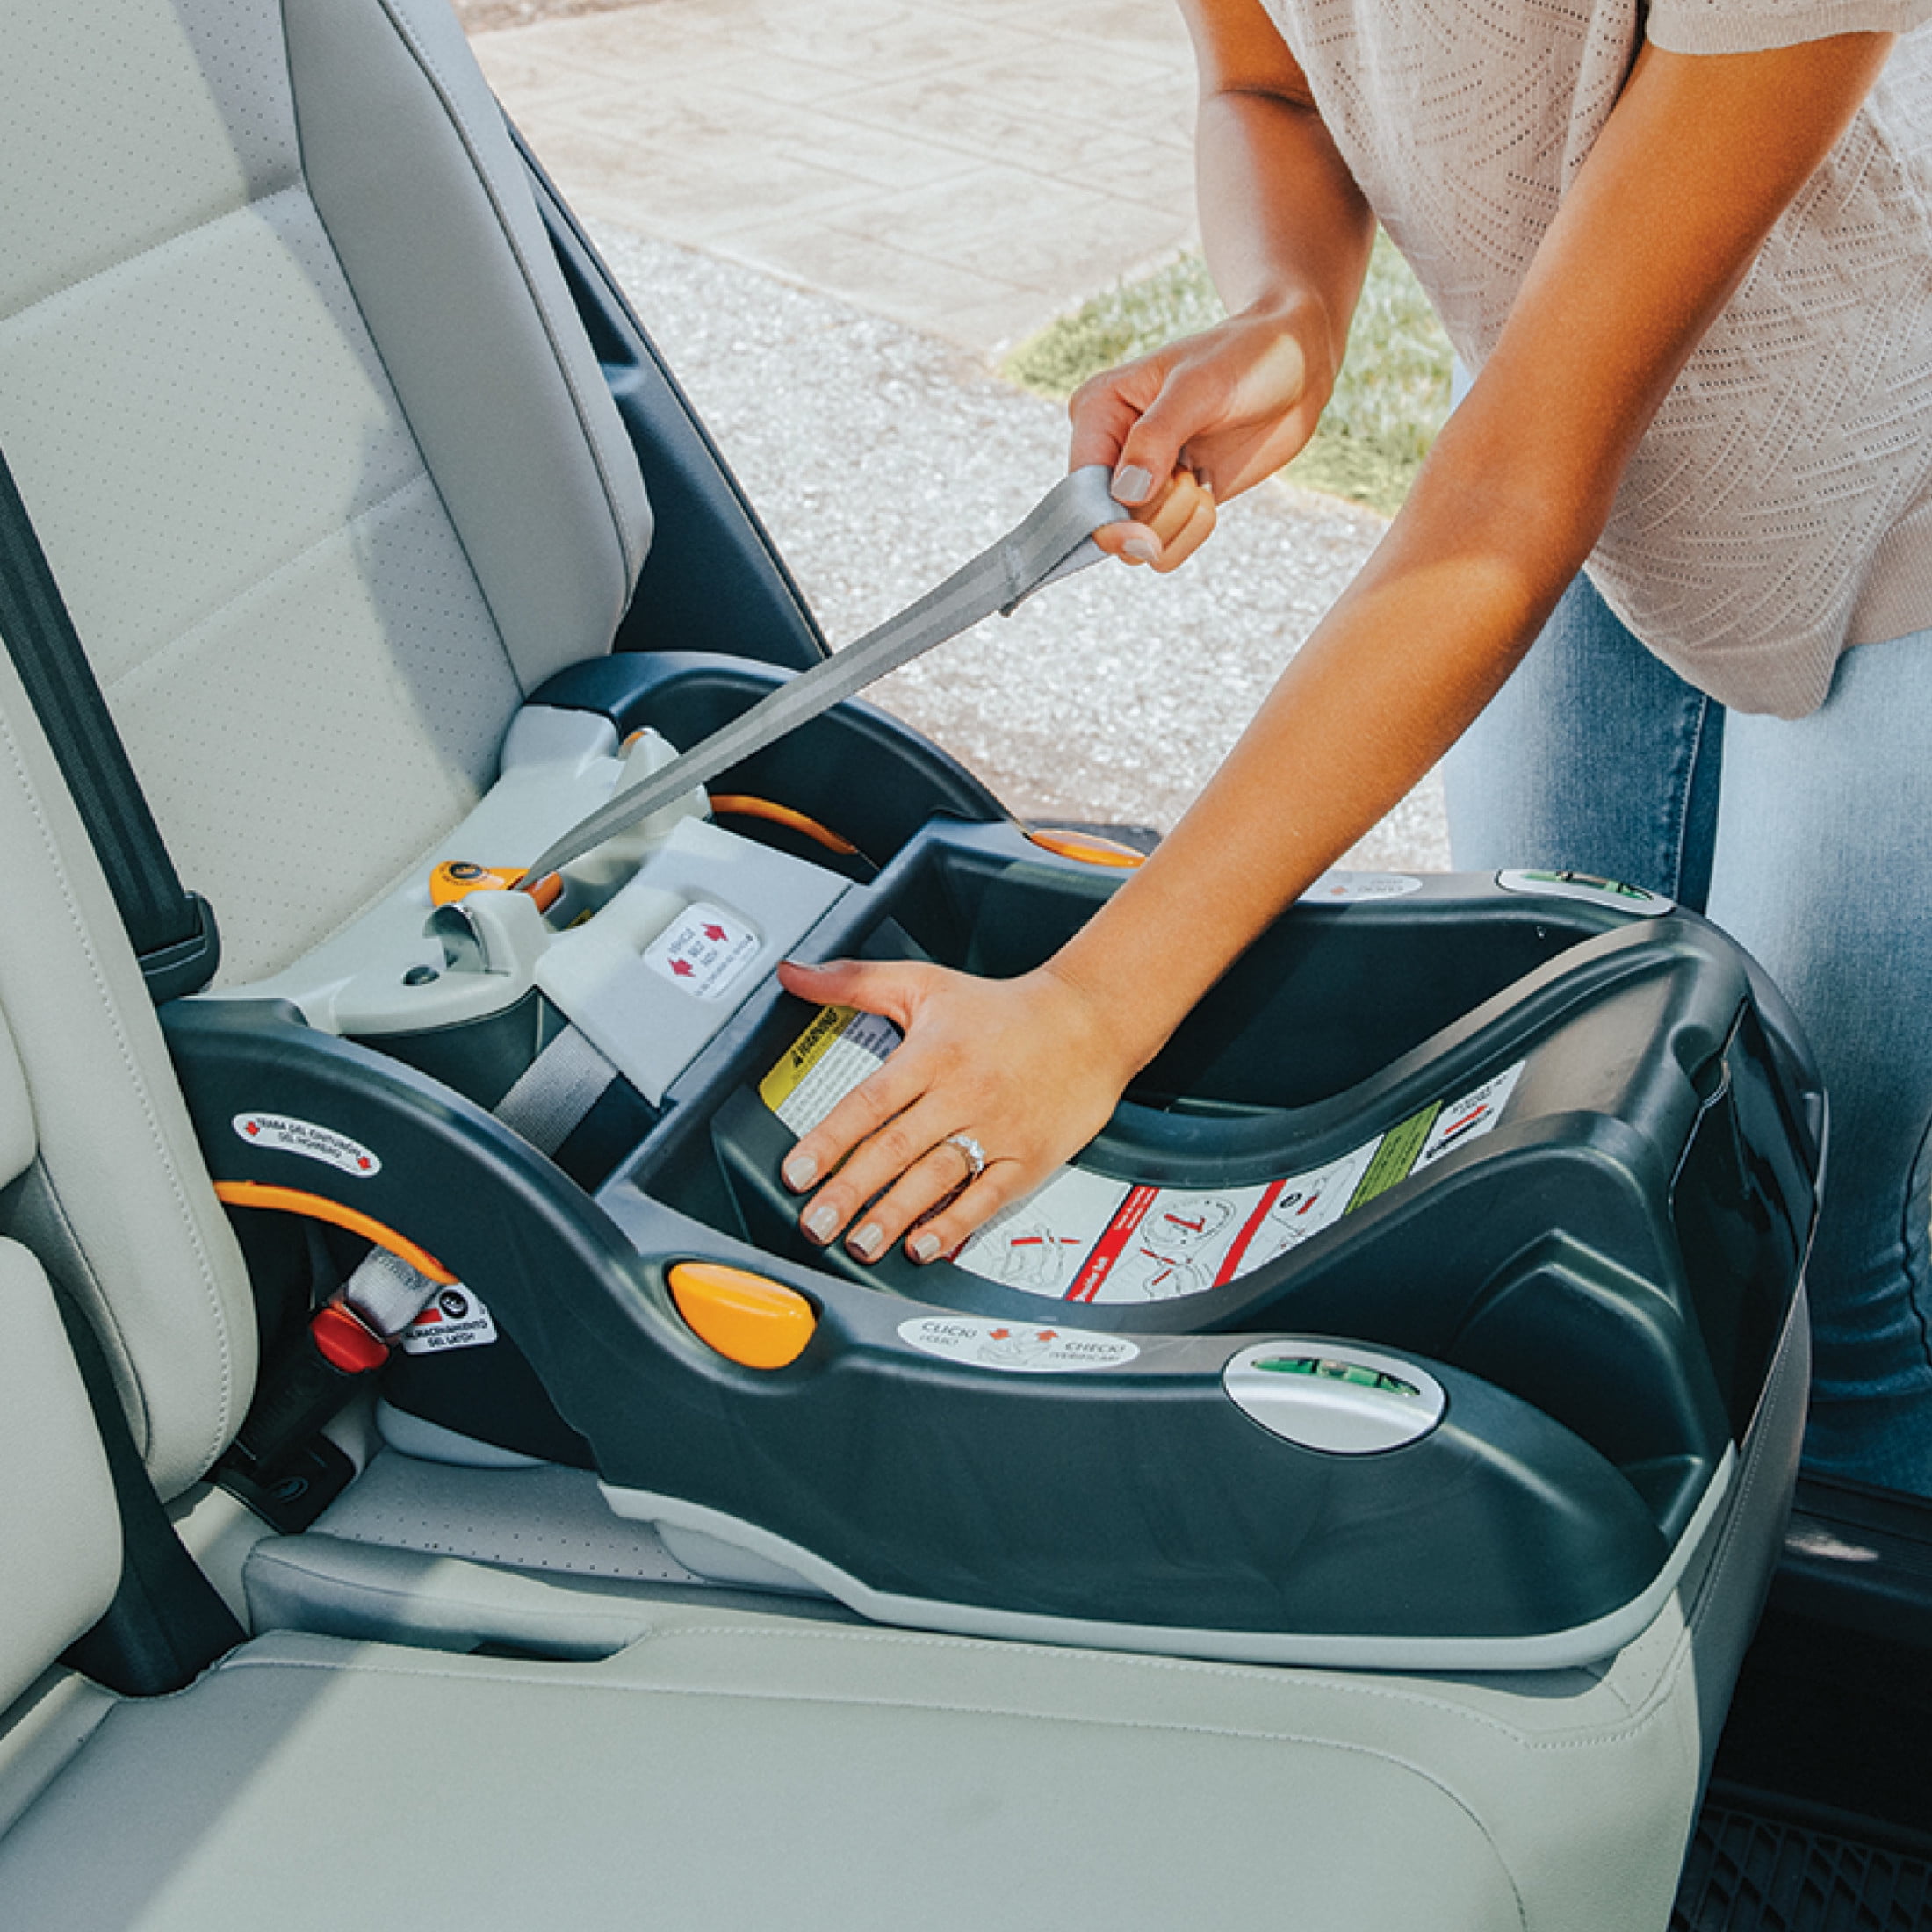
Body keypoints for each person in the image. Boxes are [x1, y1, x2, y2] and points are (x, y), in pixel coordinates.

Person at [774, 0, 1932, 1495]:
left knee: (1821, 1250)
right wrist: (1290, 313)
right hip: (1564, 416)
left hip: (1883, 468)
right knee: (1562, 1165)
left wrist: (1094, 1008)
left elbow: (1511, 500)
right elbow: (1268, 80)